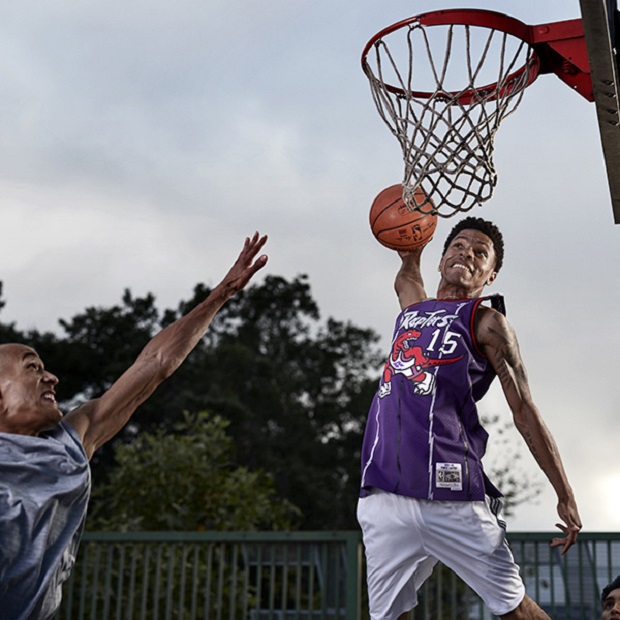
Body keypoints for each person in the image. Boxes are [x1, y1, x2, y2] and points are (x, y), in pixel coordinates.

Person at [0, 232, 268, 620]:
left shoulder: (69, 444)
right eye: (33, 368)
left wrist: (221, 295)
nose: (51, 377)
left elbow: (153, 365)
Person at [357, 217, 582, 620]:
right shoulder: (414, 309)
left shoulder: (487, 322)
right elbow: (406, 277)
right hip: (383, 494)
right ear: (443, 259)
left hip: (451, 493)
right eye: (458, 246)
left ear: (490, 275)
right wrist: (411, 244)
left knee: (513, 609)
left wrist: (563, 491)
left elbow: (525, 410)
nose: (467, 254)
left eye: (480, 253)